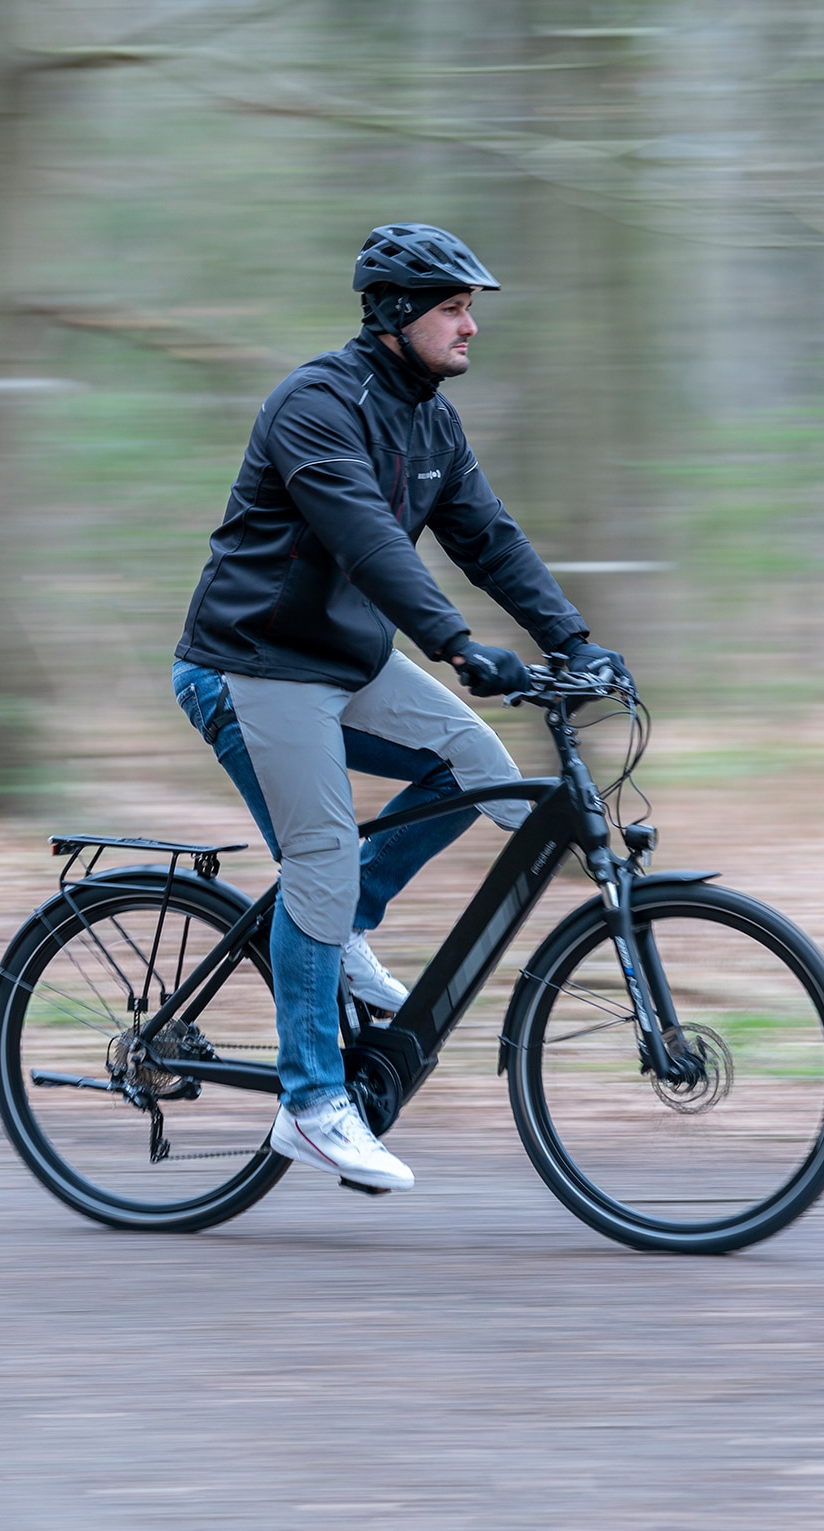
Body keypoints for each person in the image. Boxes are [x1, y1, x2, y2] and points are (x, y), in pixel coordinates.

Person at [171, 223, 628, 1193]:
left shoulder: (431, 421)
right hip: (251, 665)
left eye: (471, 309)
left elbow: (488, 538)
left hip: (344, 659)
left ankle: (340, 931)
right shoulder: (314, 406)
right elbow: (369, 540)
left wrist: (574, 643)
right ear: (393, 315)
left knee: (474, 763)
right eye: (454, 308)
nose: (471, 326)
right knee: (322, 862)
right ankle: (312, 1106)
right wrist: (458, 645)